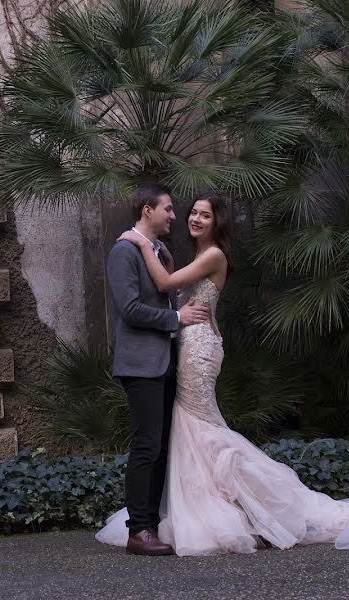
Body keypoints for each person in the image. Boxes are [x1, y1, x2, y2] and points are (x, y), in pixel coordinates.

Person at [97, 191, 349, 556]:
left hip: (196, 350)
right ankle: (180, 513)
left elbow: (166, 287)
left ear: (218, 223)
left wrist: (143, 244)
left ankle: (225, 508)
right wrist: (157, 267)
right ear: (150, 210)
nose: (188, 218)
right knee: (189, 431)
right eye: (185, 211)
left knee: (200, 428)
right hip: (185, 346)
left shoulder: (209, 254)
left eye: (203, 214)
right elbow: (156, 298)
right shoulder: (184, 253)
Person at [105, 183, 210, 555]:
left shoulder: (158, 251)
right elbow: (130, 309)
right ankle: (139, 530)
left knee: (162, 446)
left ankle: (152, 523)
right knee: (147, 444)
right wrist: (176, 317)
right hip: (140, 365)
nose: (173, 215)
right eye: (167, 208)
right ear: (148, 210)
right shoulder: (123, 252)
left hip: (163, 362)